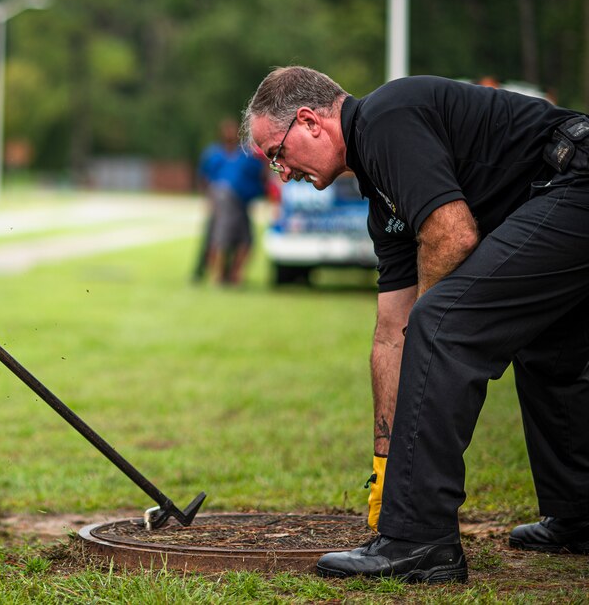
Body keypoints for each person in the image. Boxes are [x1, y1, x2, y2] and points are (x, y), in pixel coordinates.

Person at [243, 66, 589, 583]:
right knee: (546, 351)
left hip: (575, 182)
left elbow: (452, 236)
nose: (281, 173)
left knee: (442, 323)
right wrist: (385, 462)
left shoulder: (386, 119)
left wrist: (433, 330)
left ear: (311, 121)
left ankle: (419, 540)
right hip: (561, 201)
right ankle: (579, 514)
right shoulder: (383, 204)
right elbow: (390, 333)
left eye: (276, 153)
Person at [193, 118, 267, 285]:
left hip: (242, 203)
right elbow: (204, 177)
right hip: (222, 201)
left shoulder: (247, 155)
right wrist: (208, 199)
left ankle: (235, 274)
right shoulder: (213, 154)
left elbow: (261, 174)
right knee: (219, 239)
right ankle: (218, 276)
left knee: (245, 241)